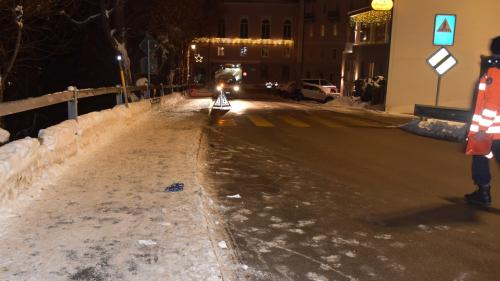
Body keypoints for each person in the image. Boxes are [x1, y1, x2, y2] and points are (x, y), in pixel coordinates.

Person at [465, 36, 500, 207]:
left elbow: (491, 105)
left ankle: (483, 193)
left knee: (480, 158)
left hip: (493, 132)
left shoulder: (495, 73)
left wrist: (482, 130)